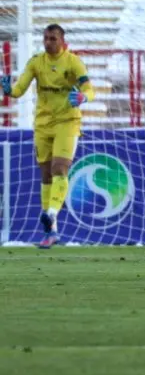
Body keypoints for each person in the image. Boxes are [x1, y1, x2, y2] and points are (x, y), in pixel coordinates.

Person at [1, 24, 95, 248]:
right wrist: (8, 90)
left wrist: (82, 98)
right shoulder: (36, 62)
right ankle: (51, 232)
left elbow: (89, 89)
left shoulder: (73, 62)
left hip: (67, 122)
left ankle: (51, 212)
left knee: (59, 168)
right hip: (43, 125)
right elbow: (19, 90)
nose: (48, 42)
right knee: (46, 175)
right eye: (45, 38)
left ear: (62, 41)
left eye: (53, 38)